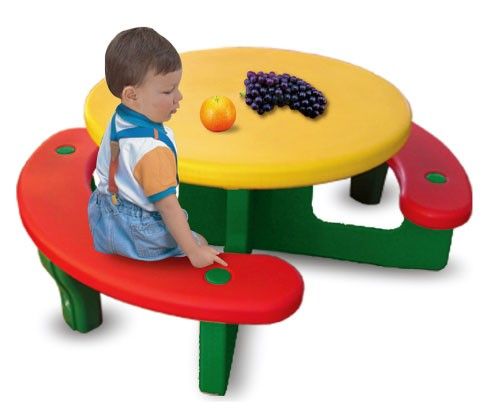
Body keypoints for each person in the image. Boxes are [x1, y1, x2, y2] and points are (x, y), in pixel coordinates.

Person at [88, 27, 227, 269]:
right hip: (138, 234)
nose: (179, 96)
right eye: (168, 90)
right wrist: (194, 251)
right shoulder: (152, 151)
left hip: (103, 217)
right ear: (132, 95)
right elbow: (168, 207)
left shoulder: (120, 116)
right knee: (201, 241)